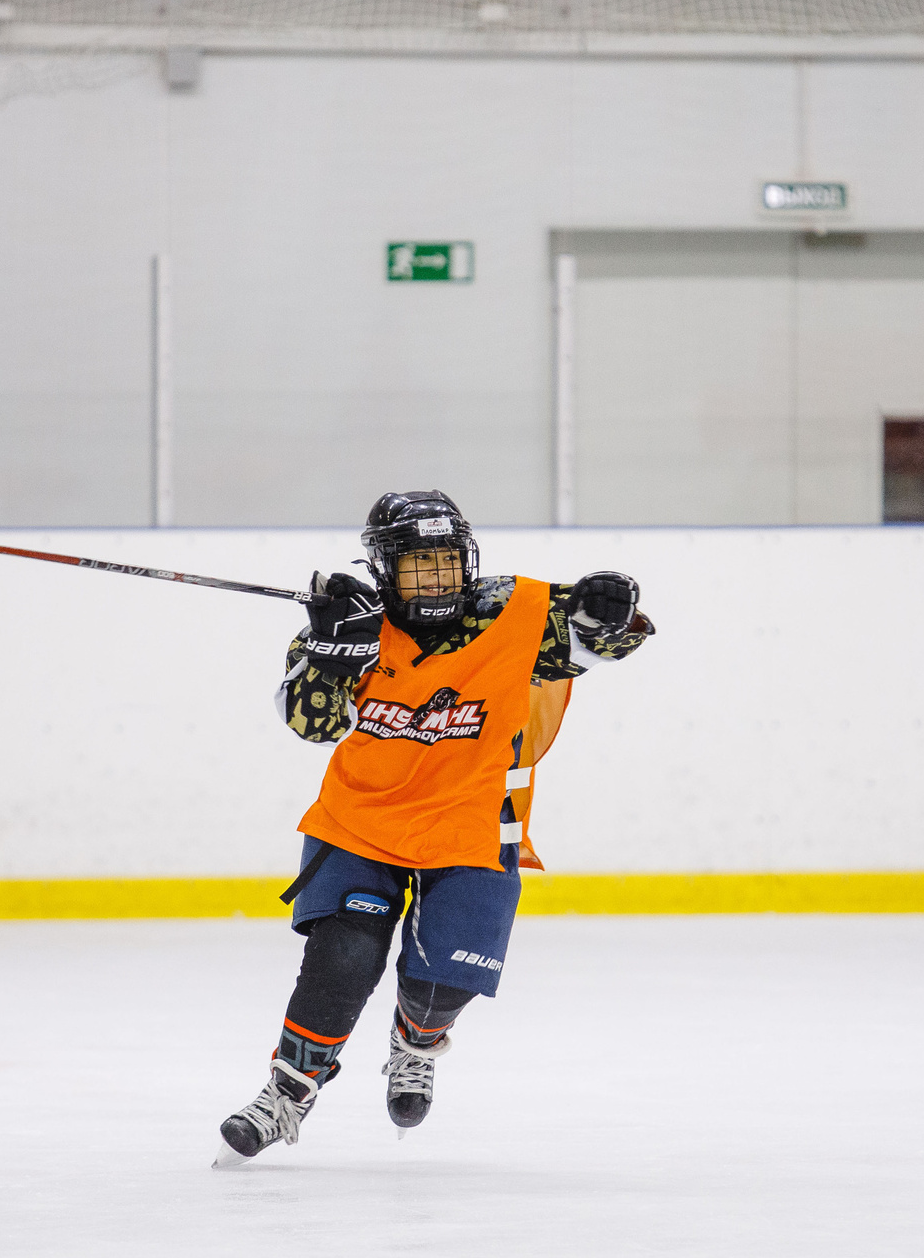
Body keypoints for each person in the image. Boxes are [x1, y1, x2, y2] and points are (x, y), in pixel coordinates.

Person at [213, 490, 653, 1164]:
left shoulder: (508, 611)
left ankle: (414, 1041)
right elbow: (312, 723)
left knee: (442, 984)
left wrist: (610, 609)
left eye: (447, 562)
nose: (438, 579)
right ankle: (288, 1091)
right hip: (362, 821)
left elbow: (600, 641)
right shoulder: (350, 622)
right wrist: (334, 653)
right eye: (419, 566)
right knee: (345, 958)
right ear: (386, 569)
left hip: (471, 822)